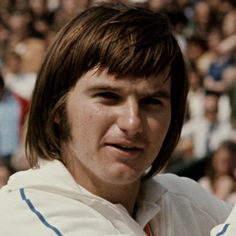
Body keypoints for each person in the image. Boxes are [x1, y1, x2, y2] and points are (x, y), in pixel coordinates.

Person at [0, 2, 232, 236]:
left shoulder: (184, 201)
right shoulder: (22, 219)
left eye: (152, 102)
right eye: (108, 96)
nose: (132, 122)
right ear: (57, 108)